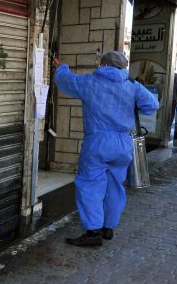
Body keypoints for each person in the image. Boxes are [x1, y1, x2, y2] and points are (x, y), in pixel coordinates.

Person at [53, 51, 159, 247]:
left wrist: (61, 68)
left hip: (98, 142)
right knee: (115, 186)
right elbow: (152, 105)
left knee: (90, 186)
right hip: (123, 144)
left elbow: (66, 81)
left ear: (104, 64)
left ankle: (93, 232)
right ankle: (108, 228)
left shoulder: (90, 82)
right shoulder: (131, 85)